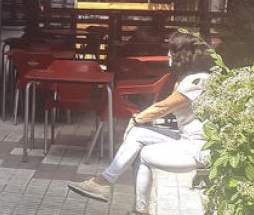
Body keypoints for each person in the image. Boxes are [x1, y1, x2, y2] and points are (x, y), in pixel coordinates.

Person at [67, 32, 215, 214]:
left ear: (181, 55)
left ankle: (131, 204)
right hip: (187, 139)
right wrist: (137, 123)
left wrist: (136, 118)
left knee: (143, 153)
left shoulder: (196, 81)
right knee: (138, 133)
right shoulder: (192, 78)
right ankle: (106, 184)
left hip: (198, 148)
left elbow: (163, 107)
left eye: (171, 51)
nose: (168, 55)